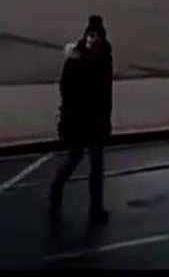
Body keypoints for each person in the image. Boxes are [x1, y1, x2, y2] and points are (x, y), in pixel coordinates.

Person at [48, 15, 114, 225]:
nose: (94, 39)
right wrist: (69, 115)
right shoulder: (74, 61)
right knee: (73, 160)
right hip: (78, 118)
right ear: (85, 36)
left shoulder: (105, 60)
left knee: (97, 166)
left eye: (98, 36)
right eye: (91, 35)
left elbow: (106, 93)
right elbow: (65, 90)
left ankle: (96, 209)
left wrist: (106, 119)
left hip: (96, 119)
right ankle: (56, 190)